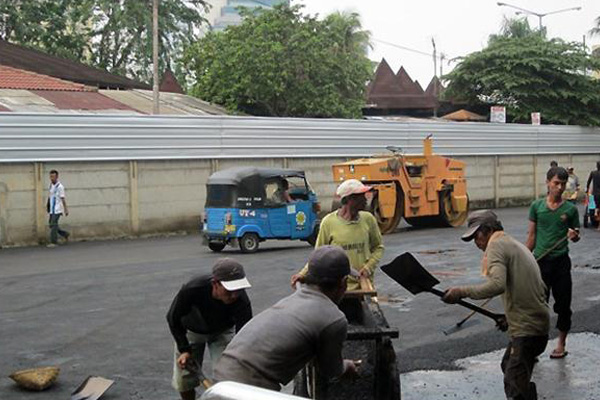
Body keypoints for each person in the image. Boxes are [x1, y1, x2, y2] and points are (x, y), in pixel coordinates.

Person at [214, 246, 358, 391]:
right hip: (250, 388)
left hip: (222, 376)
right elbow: (331, 370)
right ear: (343, 283)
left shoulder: (295, 297)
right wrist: (347, 365)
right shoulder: (334, 319)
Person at [443, 210, 549, 400]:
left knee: (514, 381)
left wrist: (461, 292)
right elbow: (532, 289)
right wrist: (510, 317)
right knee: (509, 365)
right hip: (537, 324)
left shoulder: (496, 245)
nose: (476, 242)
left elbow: (496, 285)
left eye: (477, 236)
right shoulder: (511, 243)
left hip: (528, 329)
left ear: (489, 230)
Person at [166, 259, 252, 400]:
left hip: (222, 332)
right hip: (192, 332)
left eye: (238, 289)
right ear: (215, 284)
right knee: (184, 379)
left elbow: (244, 332)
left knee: (228, 376)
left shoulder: (241, 300)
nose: (234, 295)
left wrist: (239, 356)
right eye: (230, 290)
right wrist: (184, 349)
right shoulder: (193, 289)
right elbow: (173, 317)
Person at [290, 179, 384, 291]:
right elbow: (318, 255)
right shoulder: (328, 222)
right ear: (349, 199)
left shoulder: (368, 219)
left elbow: (378, 248)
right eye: (361, 197)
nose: (365, 200)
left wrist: (368, 268)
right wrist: (303, 274)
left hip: (363, 286)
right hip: (336, 289)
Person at [526, 166, 580, 359]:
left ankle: (561, 344)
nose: (559, 187)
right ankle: (534, 347)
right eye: (556, 183)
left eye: (563, 184)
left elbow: (576, 234)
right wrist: (526, 259)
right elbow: (531, 236)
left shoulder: (570, 209)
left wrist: (573, 235)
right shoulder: (537, 207)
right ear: (548, 182)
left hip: (561, 263)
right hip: (540, 263)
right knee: (538, 306)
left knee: (563, 305)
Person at [47, 169, 69, 247]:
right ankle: (65, 234)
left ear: (57, 177)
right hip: (52, 209)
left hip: (57, 209)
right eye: (50, 177)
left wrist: (66, 209)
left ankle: (53, 242)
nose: (51, 178)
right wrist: (48, 206)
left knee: (53, 224)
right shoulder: (51, 185)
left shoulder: (60, 187)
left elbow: (63, 198)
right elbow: (50, 196)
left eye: (53, 177)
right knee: (51, 225)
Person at [586, 161, 600, 229]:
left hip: (595, 194)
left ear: (597, 166)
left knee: (593, 205)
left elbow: (588, 182)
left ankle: (595, 213)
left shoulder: (593, 173)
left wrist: (587, 188)